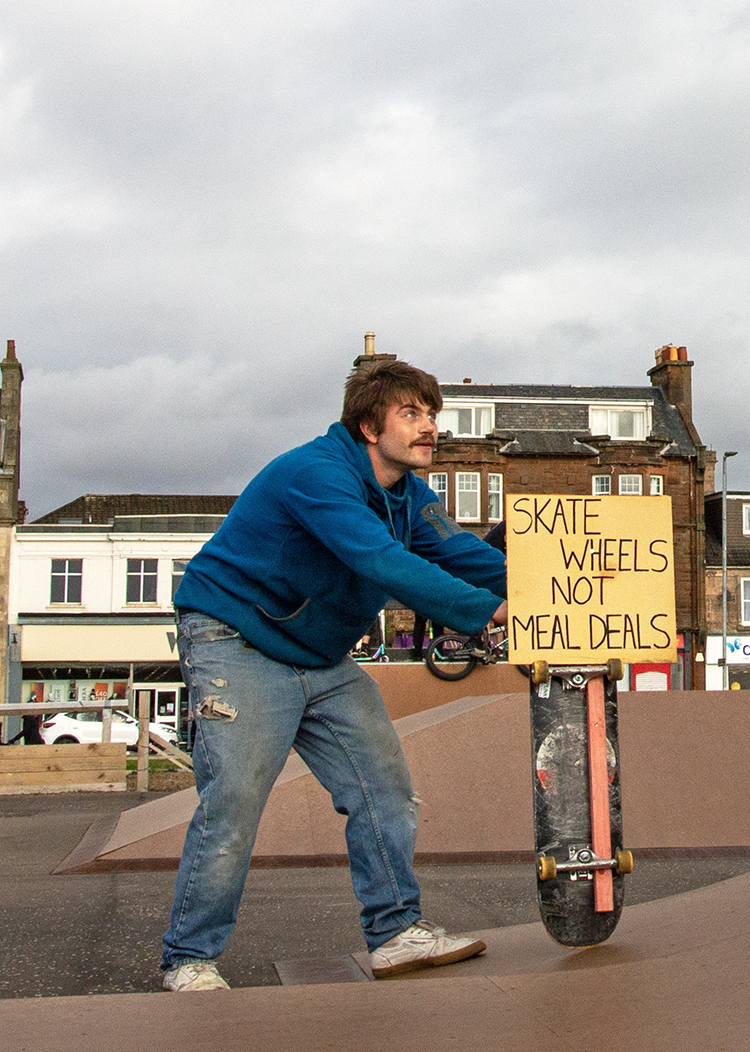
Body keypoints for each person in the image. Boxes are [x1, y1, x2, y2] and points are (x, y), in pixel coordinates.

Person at [160, 358, 508, 992]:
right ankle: (188, 957)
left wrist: (554, 588)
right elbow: (380, 561)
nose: (430, 427)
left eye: (432, 414)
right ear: (368, 426)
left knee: (386, 789)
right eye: (411, 414)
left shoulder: (407, 495)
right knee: (234, 801)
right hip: (235, 640)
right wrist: (491, 611)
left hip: (319, 656)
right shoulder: (316, 475)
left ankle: (396, 934)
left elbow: (462, 553)